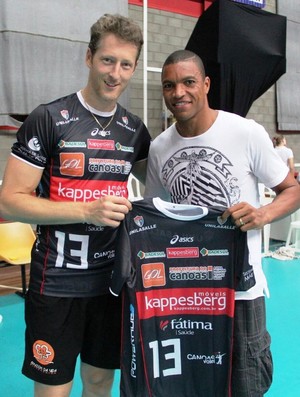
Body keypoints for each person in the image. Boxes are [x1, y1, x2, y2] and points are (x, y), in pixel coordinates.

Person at [0, 14, 151, 397]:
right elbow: (11, 202)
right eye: (107, 60)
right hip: (57, 284)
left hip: (111, 286)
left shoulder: (135, 131)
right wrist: (86, 211)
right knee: (54, 389)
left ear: (133, 68)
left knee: (100, 382)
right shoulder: (49, 118)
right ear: (89, 58)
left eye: (125, 64)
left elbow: (161, 195)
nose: (115, 73)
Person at [144, 49, 300, 397]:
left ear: (206, 84)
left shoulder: (246, 132)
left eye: (188, 82)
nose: (179, 93)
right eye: (169, 85)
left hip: (240, 287)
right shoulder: (159, 149)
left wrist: (263, 214)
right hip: (184, 289)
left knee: (246, 381)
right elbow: (155, 213)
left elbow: (292, 190)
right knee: (192, 381)